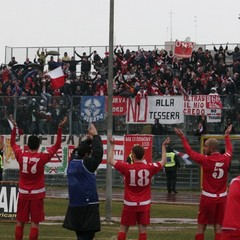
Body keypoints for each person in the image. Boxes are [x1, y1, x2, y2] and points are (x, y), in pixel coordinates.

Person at [10, 115, 67, 240]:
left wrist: (14, 128)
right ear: (38, 146)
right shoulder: (42, 157)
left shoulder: (21, 155)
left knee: (20, 222)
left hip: (23, 193)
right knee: (35, 224)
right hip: (37, 194)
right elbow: (57, 146)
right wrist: (59, 128)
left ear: (27, 145)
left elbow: (12, 143)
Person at [174, 124, 233, 240]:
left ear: (211, 148)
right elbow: (229, 150)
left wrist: (182, 137)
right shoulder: (226, 158)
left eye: (205, 147)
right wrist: (226, 136)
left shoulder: (206, 160)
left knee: (201, 226)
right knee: (219, 226)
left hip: (208, 198)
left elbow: (190, 152)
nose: (204, 148)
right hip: (222, 198)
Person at [108, 136, 170, 240]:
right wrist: (163, 146)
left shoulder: (127, 167)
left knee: (123, 228)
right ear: (143, 155)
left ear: (133, 155)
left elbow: (110, 160)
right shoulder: (150, 167)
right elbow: (163, 161)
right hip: (144, 204)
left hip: (129, 203)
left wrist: (113, 145)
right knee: (142, 230)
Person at [63, 123, 103, 240]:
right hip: (88, 205)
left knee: (81, 234)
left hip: (74, 204)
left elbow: (79, 150)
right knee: (87, 236)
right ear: (86, 154)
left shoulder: (72, 162)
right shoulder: (86, 164)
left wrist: (88, 141)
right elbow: (98, 153)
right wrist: (96, 137)